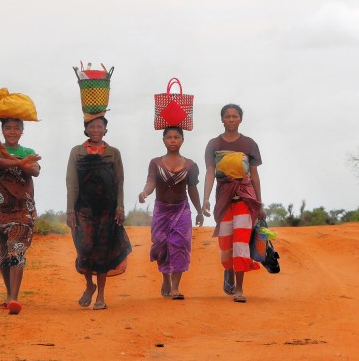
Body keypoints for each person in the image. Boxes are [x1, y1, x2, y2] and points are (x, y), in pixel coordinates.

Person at [66, 116, 132, 310]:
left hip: (107, 210)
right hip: (83, 209)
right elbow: (71, 183)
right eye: (91, 126)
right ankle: (89, 285)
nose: (96, 130)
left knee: (103, 252)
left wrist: (120, 207)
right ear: (86, 129)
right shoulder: (77, 152)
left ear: (105, 130)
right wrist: (70, 210)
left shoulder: (113, 153)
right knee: (84, 248)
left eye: (99, 126)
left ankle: (101, 295)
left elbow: (120, 182)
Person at [202, 104, 263, 303]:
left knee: (240, 243)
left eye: (234, 116)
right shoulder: (213, 144)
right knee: (226, 245)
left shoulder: (249, 144)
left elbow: (254, 175)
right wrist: (206, 199)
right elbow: (210, 172)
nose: (231, 119)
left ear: (240, 119)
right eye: (227, 116)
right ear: (221, 119)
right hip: (223, 198)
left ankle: (239, 288)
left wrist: (259, 203)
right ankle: (228, 270)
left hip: (245, 197)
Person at [138, 126, 204, 300]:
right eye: (169, 137)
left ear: (183, 140)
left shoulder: (191, 165)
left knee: (180, 245)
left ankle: (175, 287)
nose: (173, 140)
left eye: (176, 137)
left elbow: (193, 189)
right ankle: (166, 277)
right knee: (160, 245)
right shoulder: (156, 163)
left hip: (182, 209)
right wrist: (145, 192)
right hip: (161, 210)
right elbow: (151, 181)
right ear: (163, 140)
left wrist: (199, 211)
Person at [0, 117, 42, 315]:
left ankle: (14, 298)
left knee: (16, 247)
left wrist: (12, 156)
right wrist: (17, 161)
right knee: (2, 250)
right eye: (8, 127)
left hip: (22, 208)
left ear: (22, 131)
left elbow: (34, 171)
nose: (12, 131)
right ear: (2, 130)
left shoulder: (29, 151)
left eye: (16, 128)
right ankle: (9, 295)